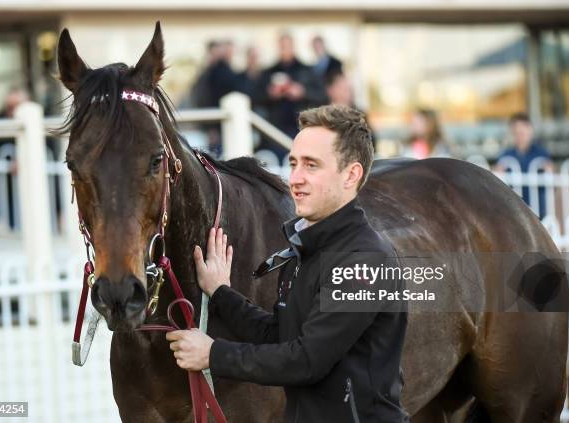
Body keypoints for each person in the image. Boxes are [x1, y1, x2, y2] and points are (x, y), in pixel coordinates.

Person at [167, 105, 409, 422]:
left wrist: (212, 354)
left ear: (351, 174)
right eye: (294, 163)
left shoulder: (364, 260)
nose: (295, 178)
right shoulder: (304, 249)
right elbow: (281, 337)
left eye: (311, 165)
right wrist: (222, 292)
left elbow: (306, 361)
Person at [255, 33, 328, 162]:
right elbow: (255, 99)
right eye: (282, 46)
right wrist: (270, 94)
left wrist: (302, 92)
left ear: (293, 47)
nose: (285, 50)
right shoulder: (267, 72)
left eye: (287, 46)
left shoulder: (307, 70)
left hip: (301, 128)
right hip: (274, 130)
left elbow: (322, 96)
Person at [494, 112, 554, 218]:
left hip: (539, 211)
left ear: (530, 131)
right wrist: (497, 173)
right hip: (514, 212)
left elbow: (551, 183)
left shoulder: (541, 153)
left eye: (522, 132)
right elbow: (497, 180)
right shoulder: (506, 155)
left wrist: (550, 171)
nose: (520, 136)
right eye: (516, 133)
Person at [325, 72, 377, 151]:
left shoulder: (360, 114)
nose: (346, 92)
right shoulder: (322, 114)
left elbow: (372, 140)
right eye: (341, 88)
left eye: (349, 89)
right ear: (330, 90)